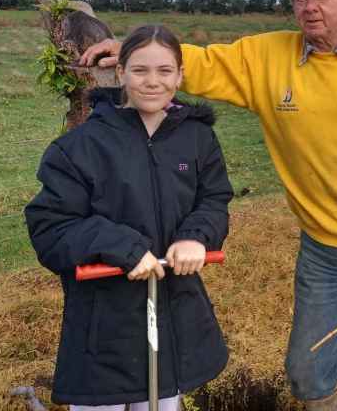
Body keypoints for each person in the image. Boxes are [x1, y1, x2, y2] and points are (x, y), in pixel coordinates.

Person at [80, 0, 337, 411]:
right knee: (307, 367)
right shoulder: (269, 58)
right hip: (324, 244)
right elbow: (204, 63)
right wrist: (135, 52)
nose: (310, 7)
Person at [26, 24, 233, 411]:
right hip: (103, 325)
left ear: (180, 75)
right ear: (120, 73)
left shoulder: (198, 139)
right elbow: (52, 229)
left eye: (164, 71)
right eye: (140, 71)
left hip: (171, 314)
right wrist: (125, 248)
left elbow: (214, 199)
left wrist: (197, 237)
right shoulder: (79, 148)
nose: (152, 82)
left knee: (164, 403)